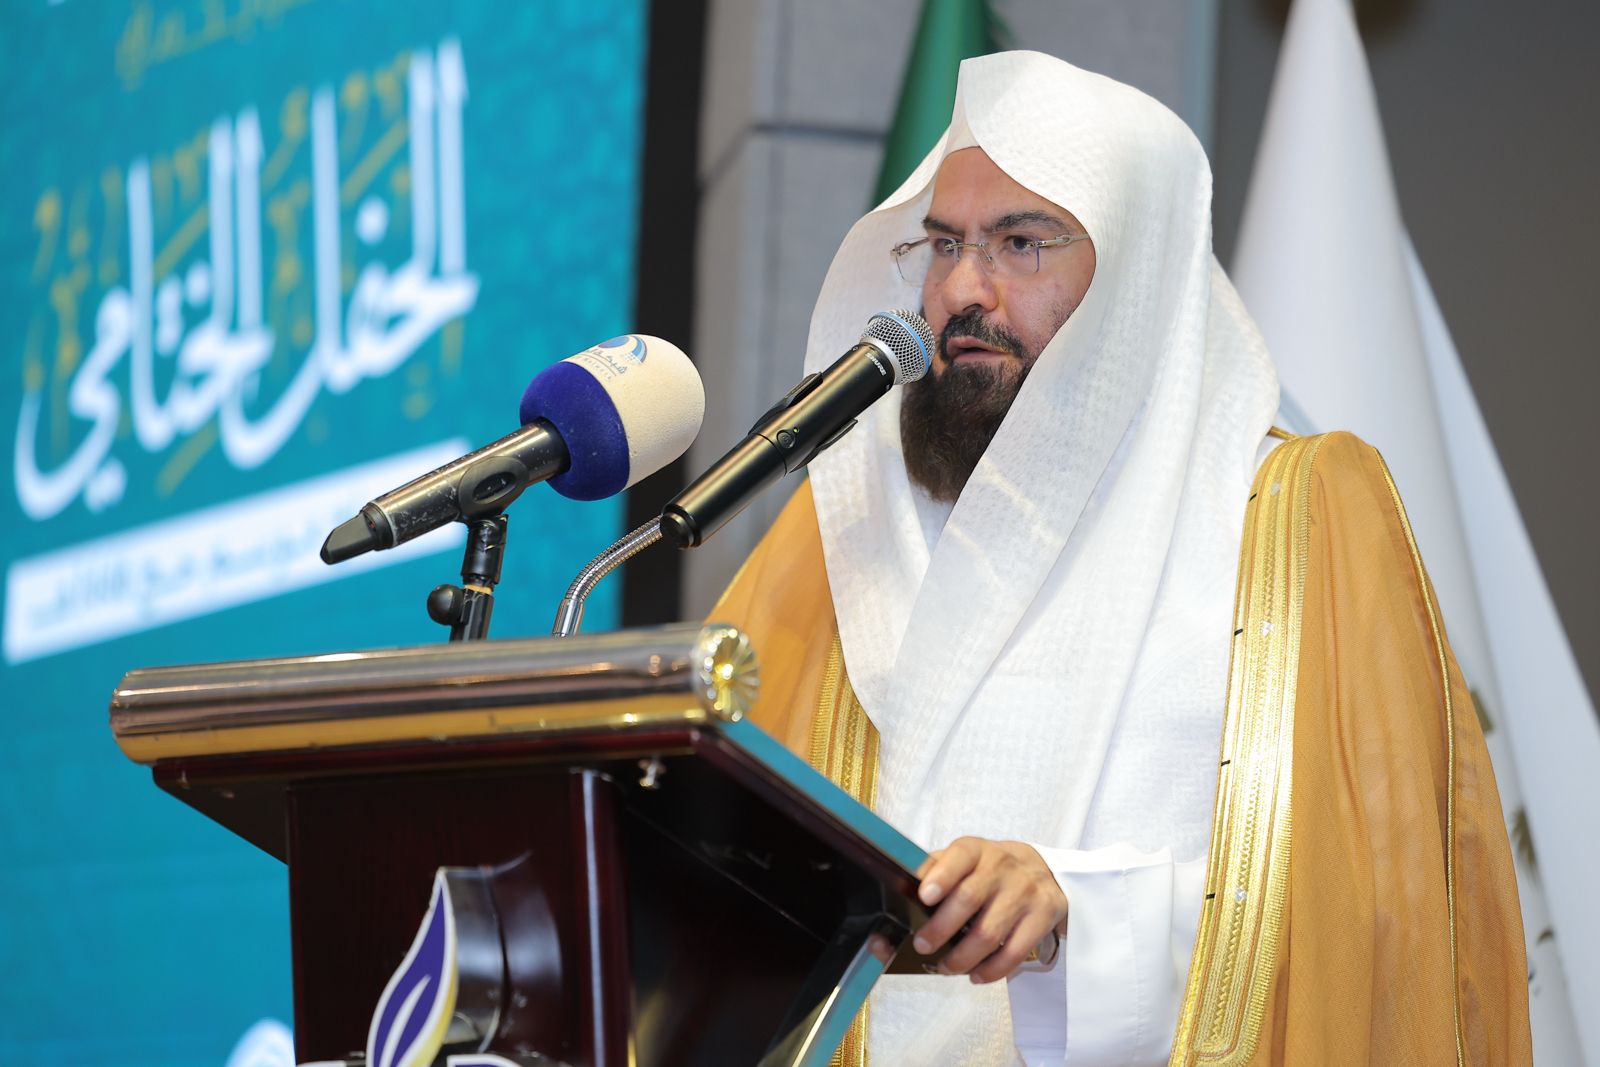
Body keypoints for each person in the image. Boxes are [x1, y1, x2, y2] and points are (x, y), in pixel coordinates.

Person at [710, 51, 1530, 1065]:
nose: (960, 290)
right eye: (944, 243)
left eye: (1020, 243)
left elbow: (1378, 919)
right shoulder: (846, 536)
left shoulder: (1291, 523)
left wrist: (1078, 913)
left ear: (1137, 273)